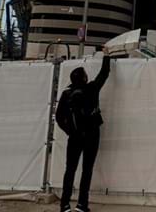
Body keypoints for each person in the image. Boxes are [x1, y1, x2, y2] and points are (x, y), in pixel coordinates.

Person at [55, 53, 111, 212]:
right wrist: (107, 56)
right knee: (87, 170)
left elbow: (59, 118)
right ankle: (81, 205)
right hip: (92, 135)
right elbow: (104, 73)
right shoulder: (92, 88)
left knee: (70, 170)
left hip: (74, 138)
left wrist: (71, 131)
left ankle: (64, 205)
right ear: (85, 78)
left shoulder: (66, 94)